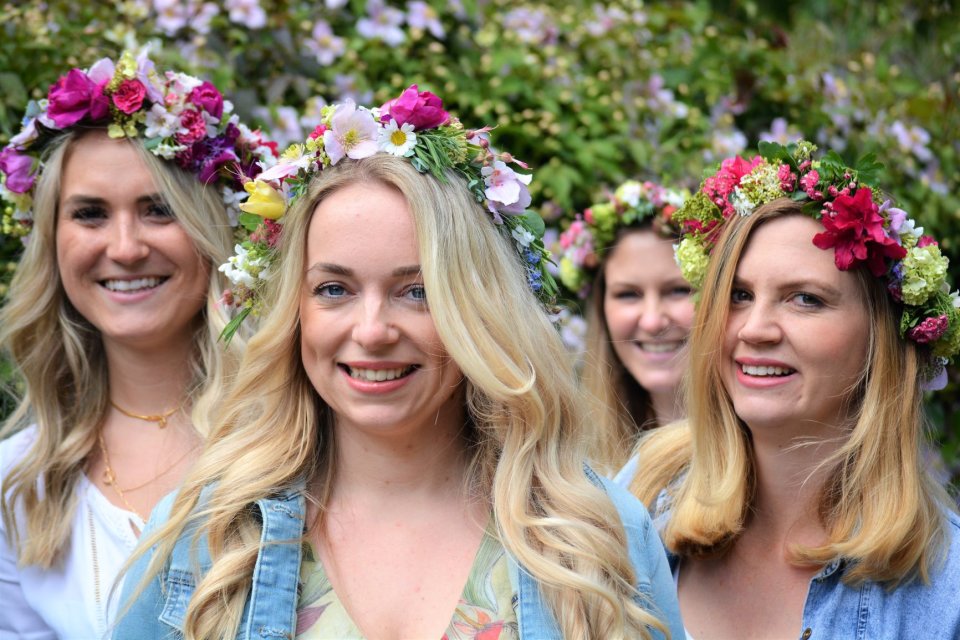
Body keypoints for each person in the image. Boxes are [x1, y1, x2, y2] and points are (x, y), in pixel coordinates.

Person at [115, 85, 685, 640]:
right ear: (295, 311)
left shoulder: (597, 537)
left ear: (477, 310)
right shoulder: (206, 538)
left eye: (417, 292)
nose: (372, 331)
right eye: (334, 289)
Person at [625, 141, 960, 639]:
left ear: (880, 340)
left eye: (805, 299)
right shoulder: (641, 497)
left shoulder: (945, 591)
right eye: (738, 295)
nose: (754, 329)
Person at [0, 50, 275, 638]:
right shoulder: (18, 483)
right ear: (52, 242)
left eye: (158, 210)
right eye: (90, 214)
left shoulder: (289, 434)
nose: (124, 248)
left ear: (214, 229)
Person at [557, 181, 692, 474]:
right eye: (628, 294)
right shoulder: (575, 466)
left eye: (679, 290)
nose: (653, 321)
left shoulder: (766, 456)